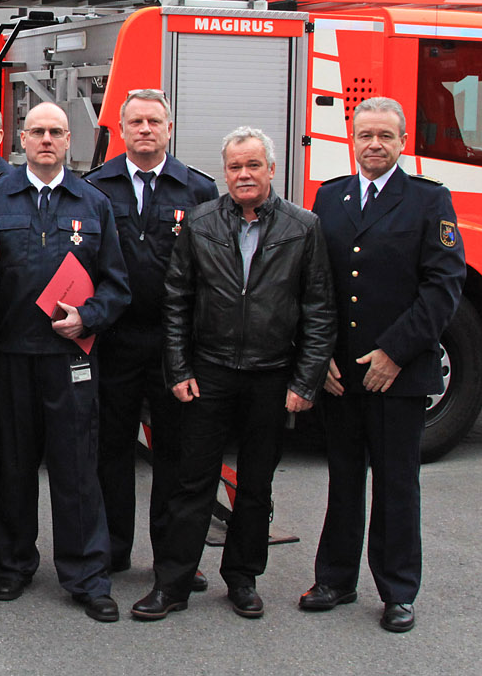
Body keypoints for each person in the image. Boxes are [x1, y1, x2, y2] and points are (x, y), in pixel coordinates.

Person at [131, 127, 334, 622]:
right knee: (190, 481)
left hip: (271, 377)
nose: (244, 175)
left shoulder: (302, 227)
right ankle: (173, 583)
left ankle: (243, 579)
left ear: (271, 169)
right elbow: (176, 301)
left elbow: (319, 310)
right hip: (210, 373)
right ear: (225, 173)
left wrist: (304, 382)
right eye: (235, 167)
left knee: (256, 485)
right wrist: (178, 369)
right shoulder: (200, 223)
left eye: (253, 166)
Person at [304, 96, 464, 634]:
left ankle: (398, 591)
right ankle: (335, 579)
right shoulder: (330, 198)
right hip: (342, 375)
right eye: (365, 134)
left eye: (385, 136)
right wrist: (321, 354)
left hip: (399, 372)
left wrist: (396, 352)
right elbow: (317, 286)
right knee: (343, 479)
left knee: (397, 484)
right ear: (352, 138)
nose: (374, 144)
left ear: (402, 142)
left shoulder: (428, 201)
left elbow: (443, 288)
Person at [0, 102, 129, 622]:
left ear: (70, 141)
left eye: (56, 132)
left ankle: (87, 574)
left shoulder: (94, 203)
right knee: (12, 464)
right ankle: (14, 563)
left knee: (77, 468)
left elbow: (116, 284)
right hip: (11, 355)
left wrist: (89, 316)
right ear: (21, 138)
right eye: (37, 131)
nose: (46, 140)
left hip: (70, 358)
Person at [84, 89, 217, 587]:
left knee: (177, 457)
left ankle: (174, 558)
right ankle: (113, 550)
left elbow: (213, 270)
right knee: (110, 452)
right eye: (135, 121)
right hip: (114, 341)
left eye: (154, 121)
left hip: (174, 344)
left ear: (169, 128)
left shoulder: (198, 191)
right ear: (121, 129)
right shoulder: (97, 188)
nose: (145, 129)